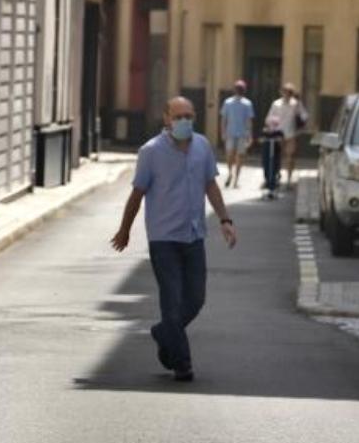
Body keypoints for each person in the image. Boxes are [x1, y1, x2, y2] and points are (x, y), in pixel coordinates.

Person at [110, 97, 237, 382]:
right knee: (171, 299)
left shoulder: (203, 146)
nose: (184, 122)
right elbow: (137, 194)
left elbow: (210, 185)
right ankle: (182, 363)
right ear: (166, 118)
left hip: (194, 235)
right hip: (163, 238)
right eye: (179, 116)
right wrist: (125, 229)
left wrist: (225, 220)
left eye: (189, 116)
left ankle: (163, 331)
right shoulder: (150, 152)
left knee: (196, 299)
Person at [266, 83, 309, 188]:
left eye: (289, 93)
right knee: (278, 157)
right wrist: (272, 125)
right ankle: (278, 175)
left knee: (290, 157)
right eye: (284, 92)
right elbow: (269, 118)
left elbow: (305, 115)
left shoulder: (296, 104)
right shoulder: (276, 104)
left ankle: (289, 179)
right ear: (281, 92)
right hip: (278, 133)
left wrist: (301, 123)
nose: (286, 94)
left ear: (291, 94)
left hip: (291, 134)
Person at [219, 80, 255, 189]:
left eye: (241, 88)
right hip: (230, 132)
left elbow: (249, 120)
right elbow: (224, 118)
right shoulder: (228, 102)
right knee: (230, 154)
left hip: (242, 134)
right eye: (237, 88)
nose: (239, 90)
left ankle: (236, 179)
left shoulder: (247, 103)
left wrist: (249, 134)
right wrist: (223, 131)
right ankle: (230, 173)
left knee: (240, 156)